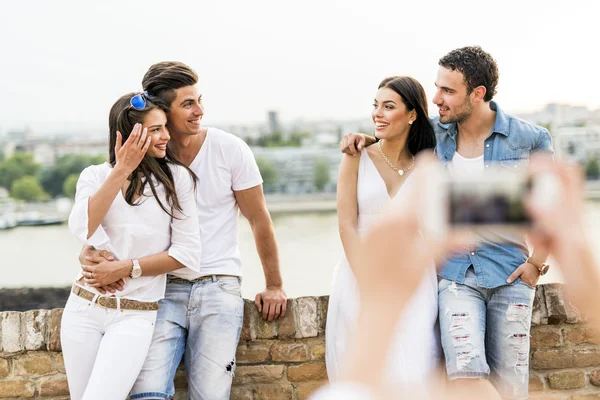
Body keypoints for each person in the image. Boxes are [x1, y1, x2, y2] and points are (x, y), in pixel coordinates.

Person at [339, 46, 554, 399]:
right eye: (437, 87)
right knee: (465, 375)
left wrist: (536, 264)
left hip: (511, 275)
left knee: (512, 385)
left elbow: (548, 210)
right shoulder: (432, 134)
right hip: (454, 276)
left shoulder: (530, 138)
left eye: (448, 91)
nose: (436, 98)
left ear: (478, 93)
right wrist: (362, 139)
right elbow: (389, 141)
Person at [80, 62, 287, 400]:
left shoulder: (230, 149)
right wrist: (89, 252)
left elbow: (259, 219)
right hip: (159, 290)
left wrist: (275, 284)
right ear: (163, 109)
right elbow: (113, 223)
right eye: (188, 104)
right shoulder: (146, 160)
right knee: (147, 392)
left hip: (219, 286)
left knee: (210, 394)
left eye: (199, 100)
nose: (199, 111)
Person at [61, 93, 202, 400]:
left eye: (164, 127)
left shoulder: (178, 181)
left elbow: (187, 254)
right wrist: (121, 170)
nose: (166, 136)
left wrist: (126, 267)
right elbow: (83, 227)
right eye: (154, 130)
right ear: (126, 135)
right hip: (83, 309)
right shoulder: (95, 176)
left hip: (134, 315)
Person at [326, 76, 440, 387]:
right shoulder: (356, 156)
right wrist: (367, 279)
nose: (377, 113)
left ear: (412, 114)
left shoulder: (428, 164)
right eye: (375, 106)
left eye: (388, 107)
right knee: (364, 367)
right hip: (360, 273)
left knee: (415, 365)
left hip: (414, 278)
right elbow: (346, 223)